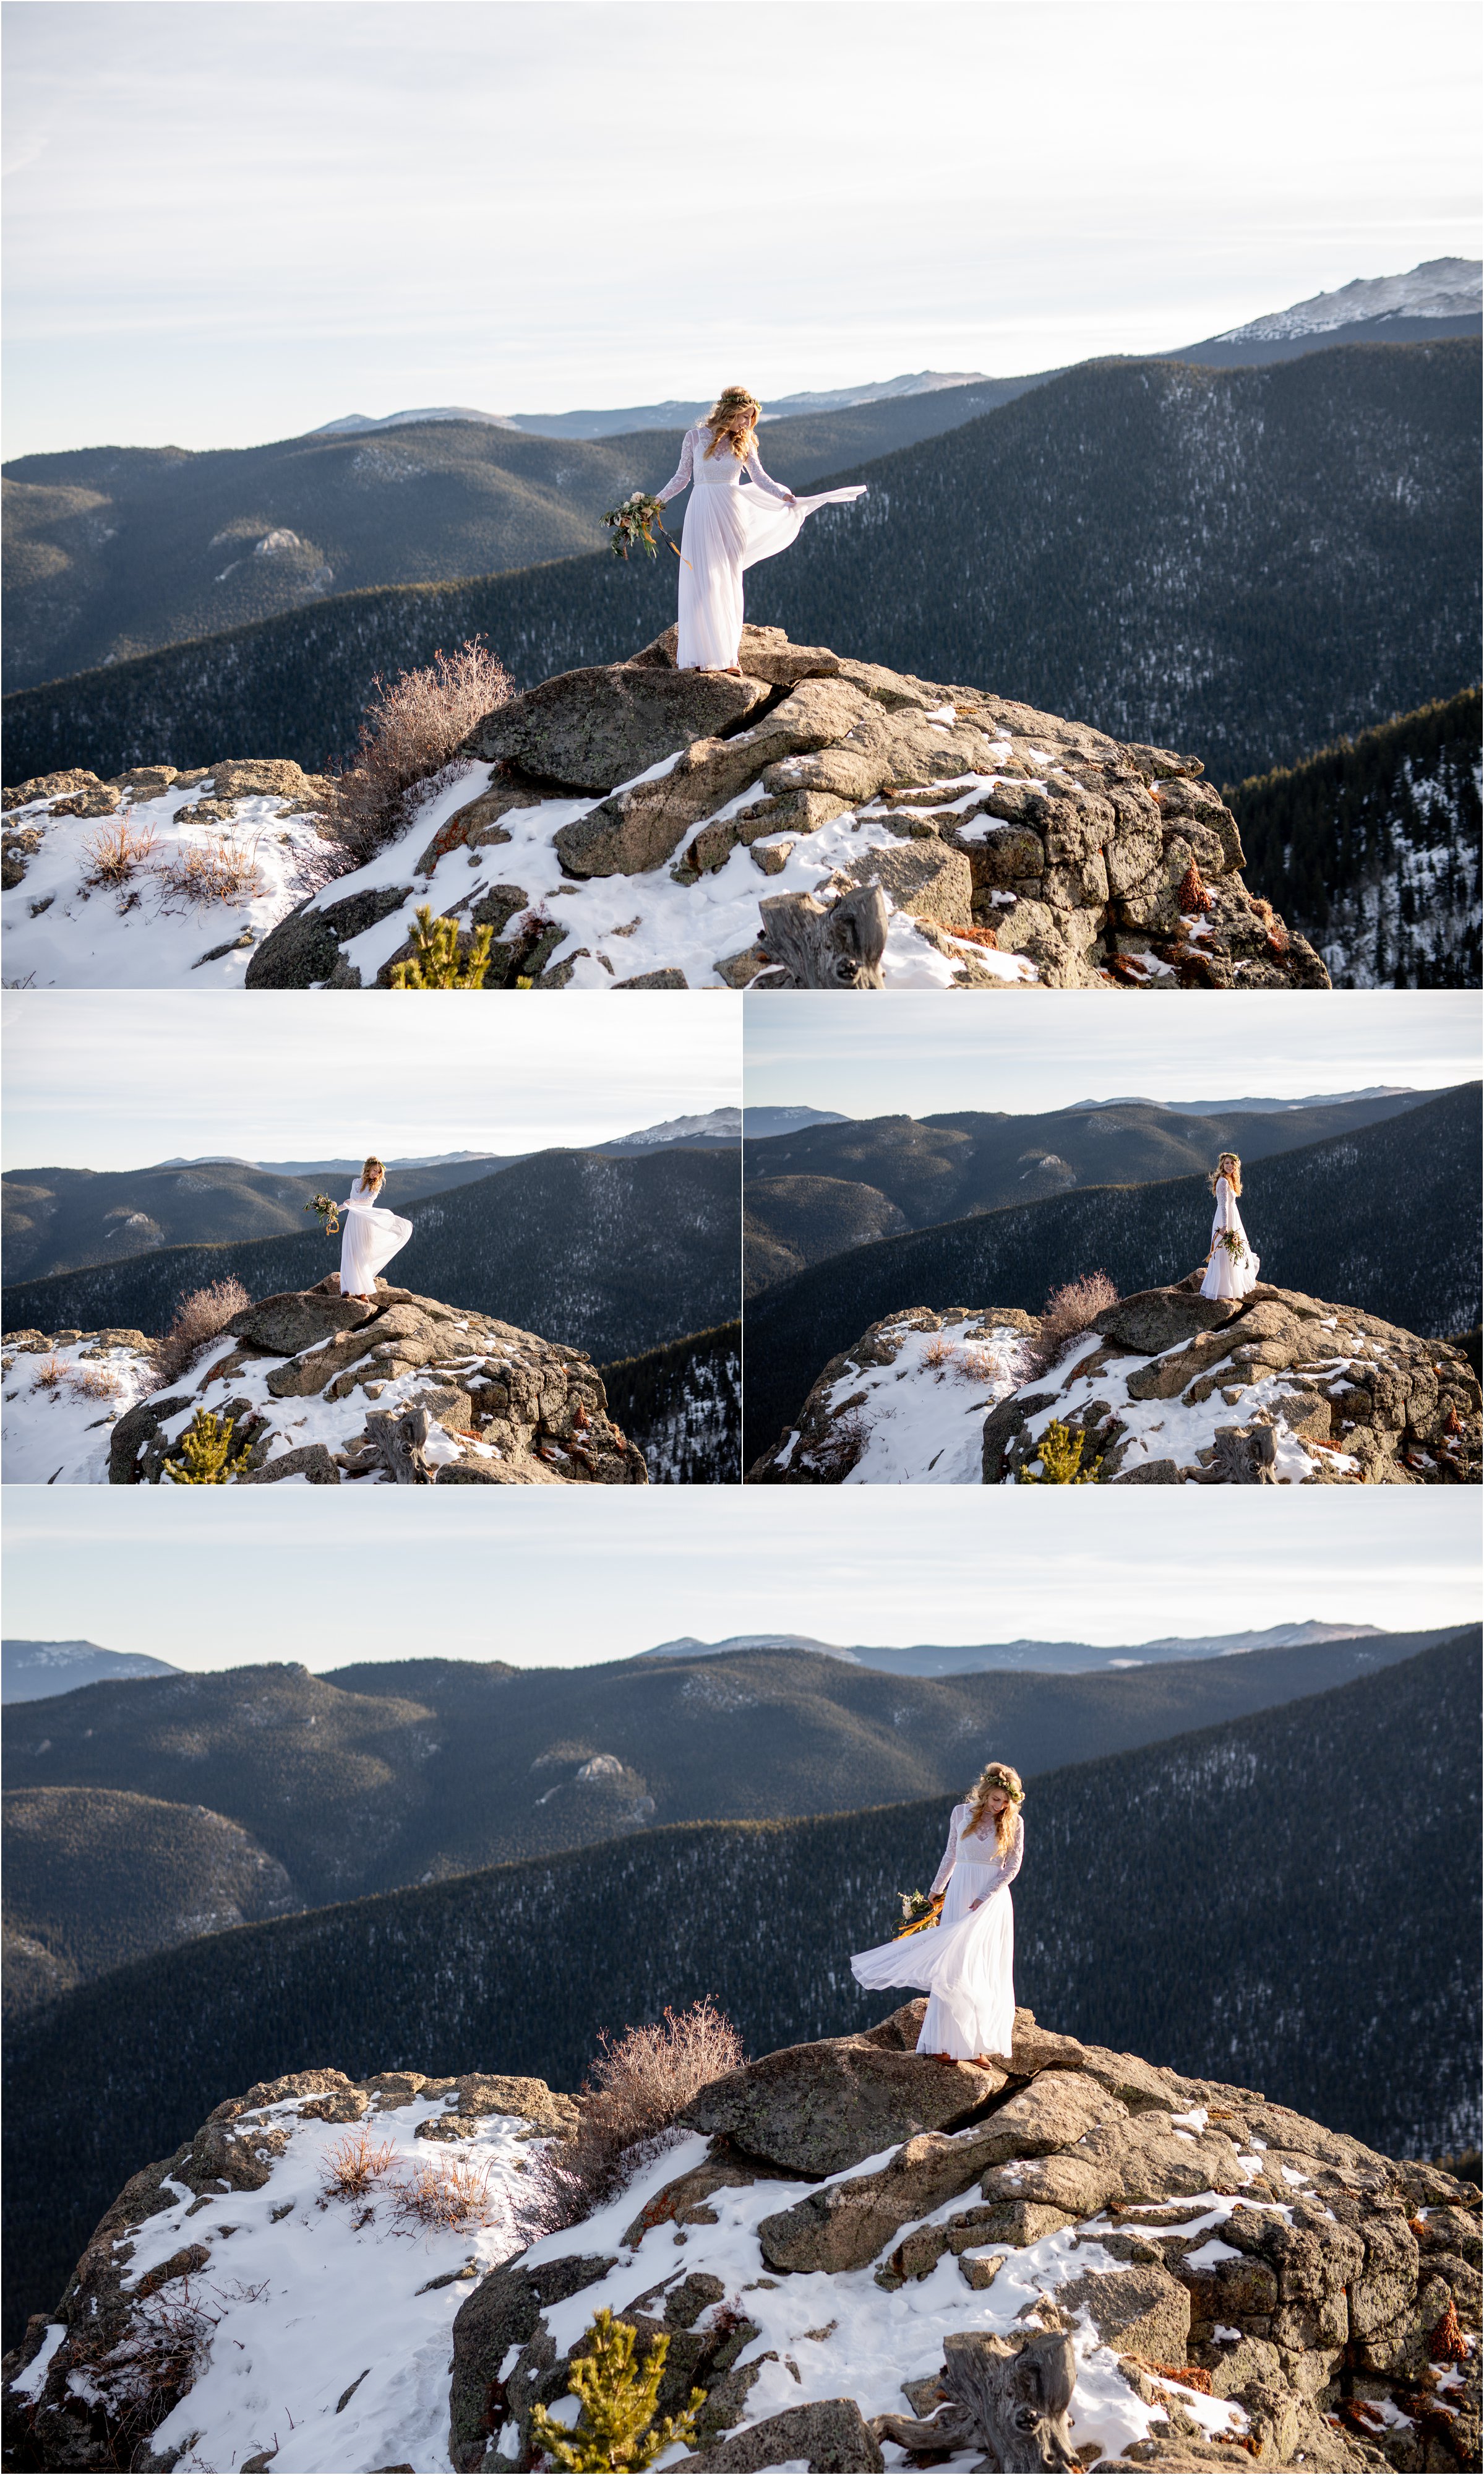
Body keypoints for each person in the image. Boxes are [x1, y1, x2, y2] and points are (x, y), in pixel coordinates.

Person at [653, 385, 867, 673]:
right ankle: (700, 655)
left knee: (728, 578)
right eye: (744, 417)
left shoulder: (746, 441)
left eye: (750, 418)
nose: (747, 423)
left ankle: (729, 656)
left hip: (731, 512)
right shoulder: (693, 437)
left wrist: (783, 496)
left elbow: (760, 477)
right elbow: (681, 478)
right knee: (701, 579)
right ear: (729, 412)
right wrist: (654, 503)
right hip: (701, 510)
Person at [851, 1762, 1025, 2065]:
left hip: (993, 1901)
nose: (1000, 1807)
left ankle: (974, 2046)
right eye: (996, 1799)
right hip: (960, 1894)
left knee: (983, 1969)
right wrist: (935, 1890)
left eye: (1006, 1802)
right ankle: (938, 2043)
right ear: (985, 1793)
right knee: (953, 1967)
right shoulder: (961, 1813)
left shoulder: (1015, 1823)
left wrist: (986, 1896)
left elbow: (1013, 1866)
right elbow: (951, 1854)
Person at [338, 1156, 412, 1299]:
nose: (376, 1174)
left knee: (362, 1253)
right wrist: (335, 1211)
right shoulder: (356, 1183)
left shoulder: (375, 1186)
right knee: (349, 1252)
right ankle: (346, 1288)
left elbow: (367, 1200)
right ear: (367, 1169)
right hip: (353, 1220)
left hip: (366, 1220)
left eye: (379, 1172)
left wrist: (352, 1201)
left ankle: (361, 1291)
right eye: (375, 1171)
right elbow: (349, 1203)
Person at [1200, 1151, 1260, 1301]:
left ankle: (1231, 1287)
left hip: (1232, 1217)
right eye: (1227, 1163)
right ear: (1222, 1165)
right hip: (1225, 1219)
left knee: (1232, 1252)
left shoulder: (1229, 1180)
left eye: (1232, 1163)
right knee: (1226, 1252)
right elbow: (1223, 1206)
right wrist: (1225, 1225)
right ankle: (1225, 1289)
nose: (1230, 1166)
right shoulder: (1223, 1182)